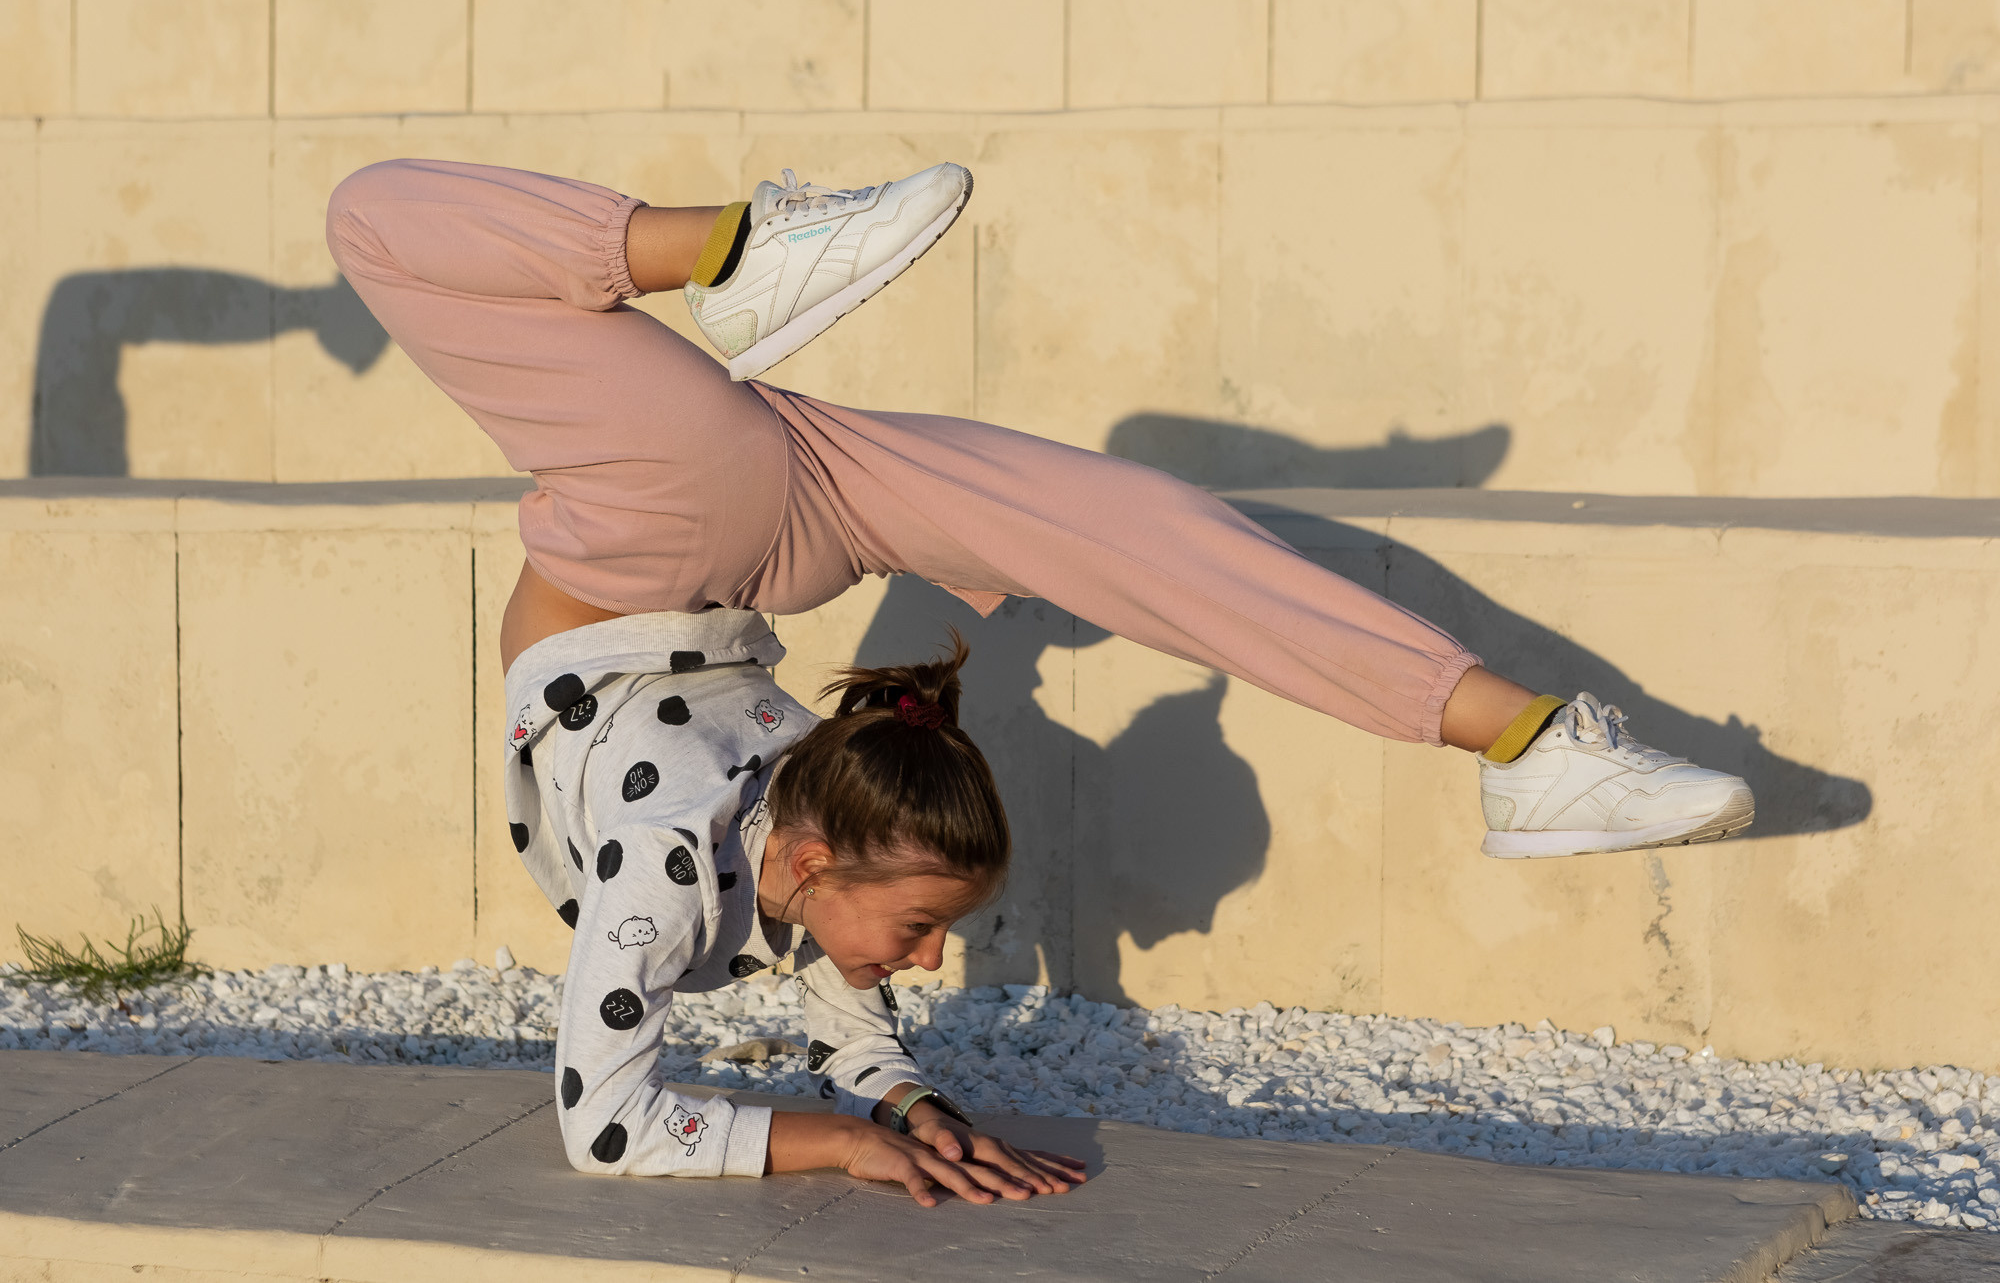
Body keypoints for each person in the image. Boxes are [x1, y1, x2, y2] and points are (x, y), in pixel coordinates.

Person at [322, 157, 1753, 1190]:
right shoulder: (807, 865)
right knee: (1132, 527)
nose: (929, 959)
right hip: (768, 543)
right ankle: (1520, 740)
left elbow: (607, 1124)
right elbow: (849, 1021)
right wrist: (907, 1109)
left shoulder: (654, 881)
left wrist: (848, 1144)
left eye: (924, 933)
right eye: (929, 926)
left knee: (369, 217)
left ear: (810, 854)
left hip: (646, 548)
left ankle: (735, 247)